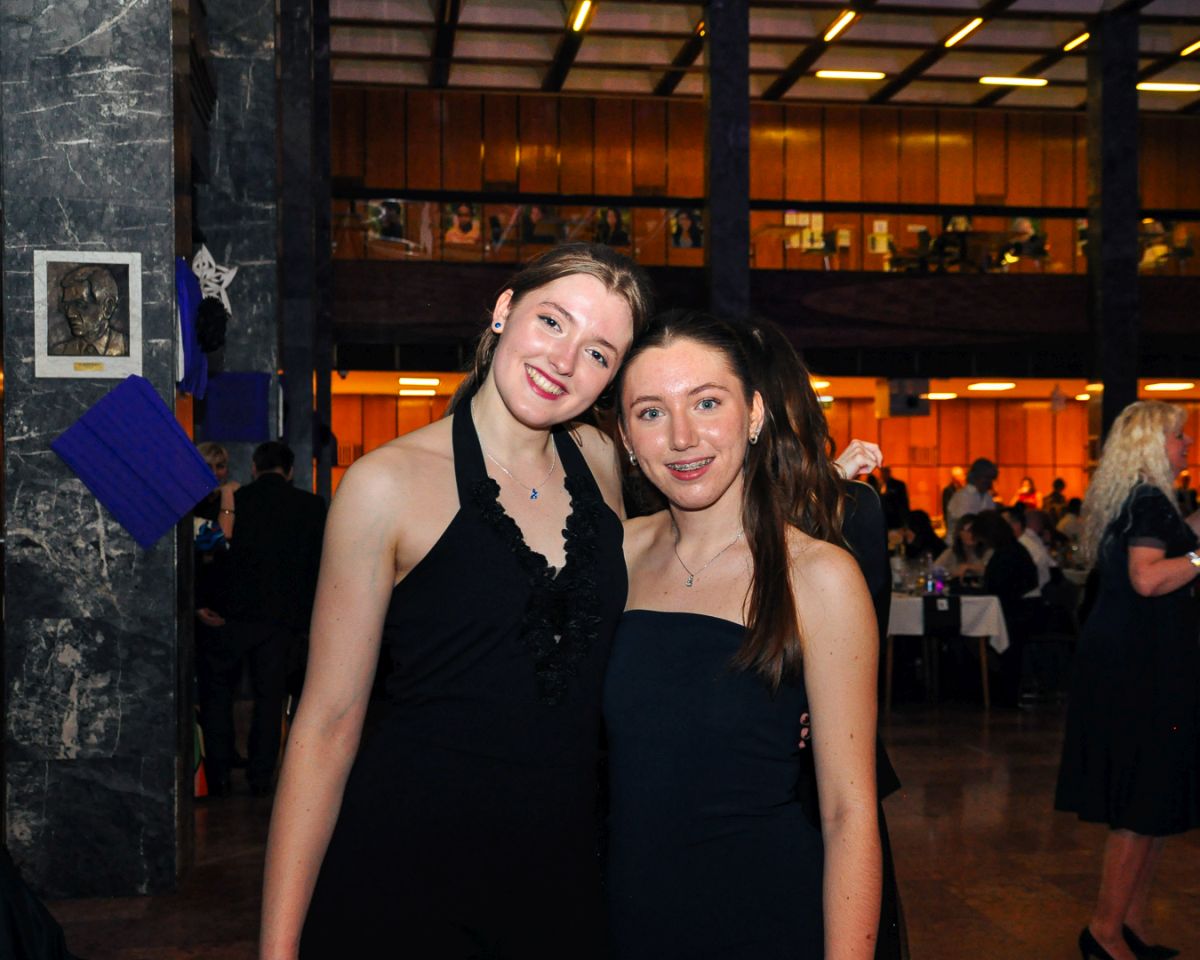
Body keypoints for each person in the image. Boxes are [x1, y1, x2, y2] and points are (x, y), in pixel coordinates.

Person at [260, 245, 653, 960]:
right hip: (412, 869)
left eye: (599, 353)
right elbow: (326, 725)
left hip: (562, 868)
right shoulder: (385, 485)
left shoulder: (600, 462)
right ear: (505, 310)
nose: (565, 361)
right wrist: (278, 949)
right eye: (552, 321)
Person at [606, 311, 881, 959]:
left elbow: (849, 813)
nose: (682, 437)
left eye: (707, 402)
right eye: (651, 412)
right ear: (624, 436)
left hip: (763, 914)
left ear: (754, 414)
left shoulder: (819, 576)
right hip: (620, 914)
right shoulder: (609, 557)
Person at [1055, 401, 1200, 960]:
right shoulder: (1148, 501)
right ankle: (1105, 931)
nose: (1188, 445)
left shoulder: (1141, 499)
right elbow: (1147, 578)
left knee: (1152, 800)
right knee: (1141, 805)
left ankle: (1130, 923)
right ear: (1152, 443)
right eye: (1179, 437)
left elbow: (1168, 545)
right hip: (1141, 671)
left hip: (1135, 664)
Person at [217, 442, 327, 797]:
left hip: (233, 614)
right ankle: (261, 776)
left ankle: (218, 773)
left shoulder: (238, 501)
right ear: (290, 471)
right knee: (270, 699)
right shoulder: (311, 506)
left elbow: (220, 554)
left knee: (220, 694)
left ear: (254, 467)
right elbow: (317, 565)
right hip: (282, 618)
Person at [51, 264, 129, 356]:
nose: (70, 314)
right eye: (67, 306)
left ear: (107, 307)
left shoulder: (128, 347)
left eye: (80, 304)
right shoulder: (59, 352)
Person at [946, 457, 999, 532]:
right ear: (976, 476)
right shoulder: (962, 496)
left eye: (991, 479)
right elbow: (967, 527)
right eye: (986, 478)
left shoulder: (987, 497)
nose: (990, 482)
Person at [934, 513, 987, 581]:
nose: (972, 535)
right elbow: (934, 572)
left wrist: (969, 567)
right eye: (968, 531)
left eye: (975, 531)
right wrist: (951, 574)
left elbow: (992, 570)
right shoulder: (951, 553)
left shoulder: (987, 551)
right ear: (959, 533)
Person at [877, 465, 909, 531]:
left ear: (888, 473)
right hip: (884, 518)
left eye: (885, 473)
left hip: (896, 518)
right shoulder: (879, 485)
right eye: (882, 473)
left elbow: (904, 502)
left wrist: (905, 518)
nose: (883, 475)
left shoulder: (898, 484)